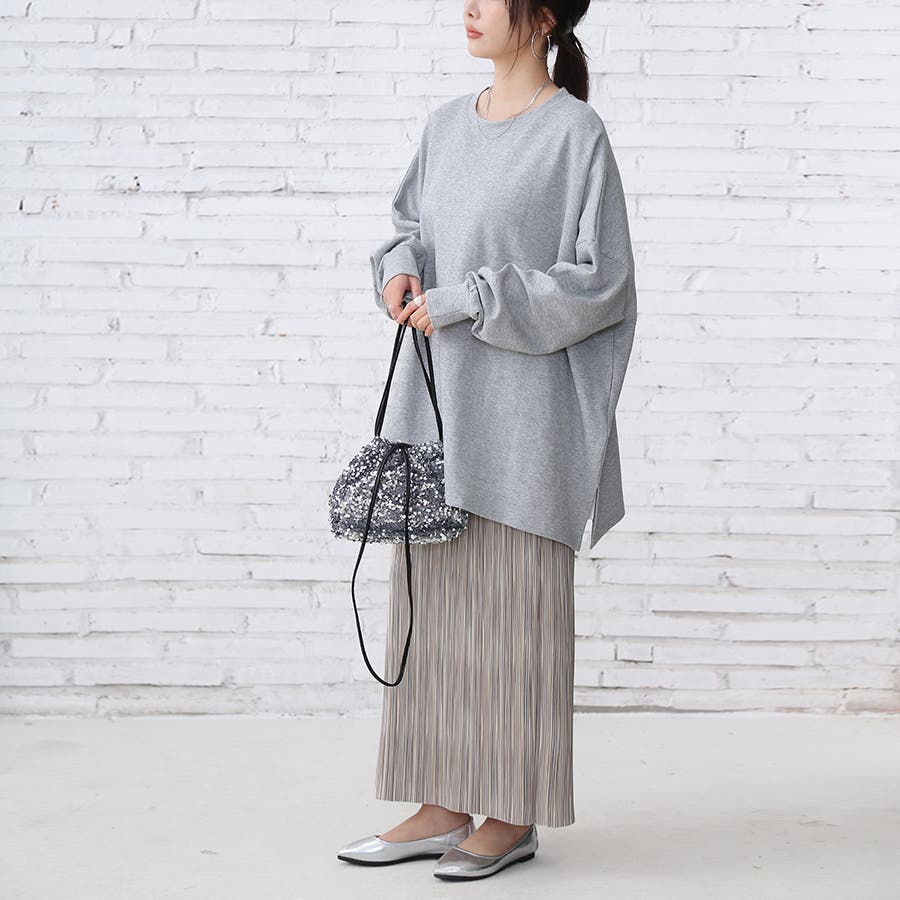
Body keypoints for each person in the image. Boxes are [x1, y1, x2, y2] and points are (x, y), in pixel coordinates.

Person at [337, 0, 637, 882]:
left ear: (540, 17)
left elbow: (602, 283)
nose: (469, 7)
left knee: (515, 620)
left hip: (527, 421)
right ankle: (439, 805)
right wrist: (399, 271)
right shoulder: (444, 127)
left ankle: (510, 815)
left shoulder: (574, 135)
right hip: (435, 409)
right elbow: (409, 229)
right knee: (432, 616)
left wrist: (473, 297)